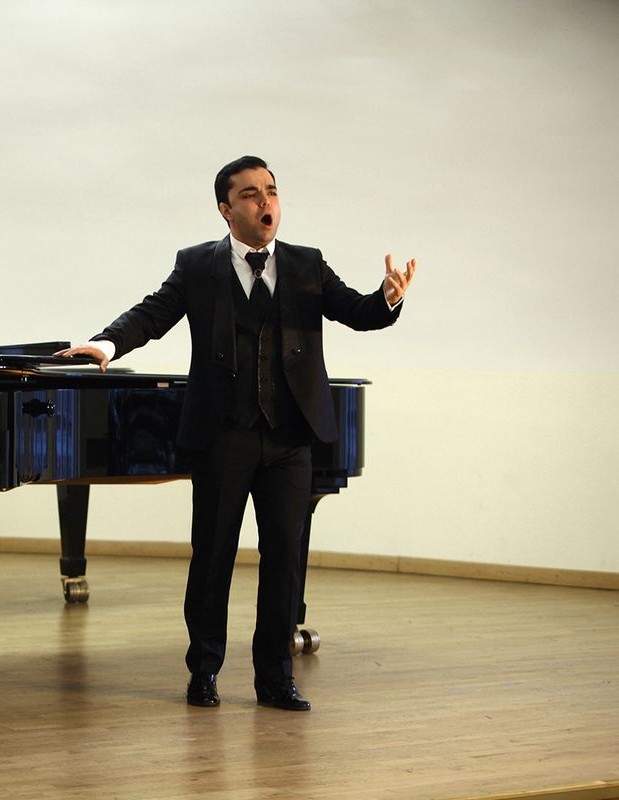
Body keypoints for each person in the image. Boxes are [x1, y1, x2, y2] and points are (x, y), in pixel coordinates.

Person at [56, 156, 416, 711]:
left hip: (290, 438)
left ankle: (275, 679)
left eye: (271, 191)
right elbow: (153, 314)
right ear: (226, 210)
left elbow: (357, 311)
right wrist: (106, 343)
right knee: (212, 558)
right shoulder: (197, 265)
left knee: (284, 562)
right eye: (250, 194)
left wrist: (389, 296)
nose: (265, 201)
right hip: (223, 435)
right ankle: (203, 671)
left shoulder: (306, 263)